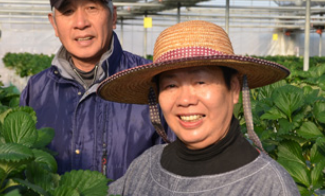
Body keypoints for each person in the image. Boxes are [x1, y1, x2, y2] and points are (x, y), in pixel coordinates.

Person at [99, 20, 299, 195]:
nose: (185, 100)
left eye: (201, 82)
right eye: (171, 85)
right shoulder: (144, 166)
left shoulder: (268, 186)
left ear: (235, 89)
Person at [20, 0, 169, 180]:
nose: (81, 23)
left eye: (92, 7)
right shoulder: (36, 90)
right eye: (68, 11)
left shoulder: (149, 81)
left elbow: (175, 172)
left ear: (113, 16)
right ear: (54, 24)